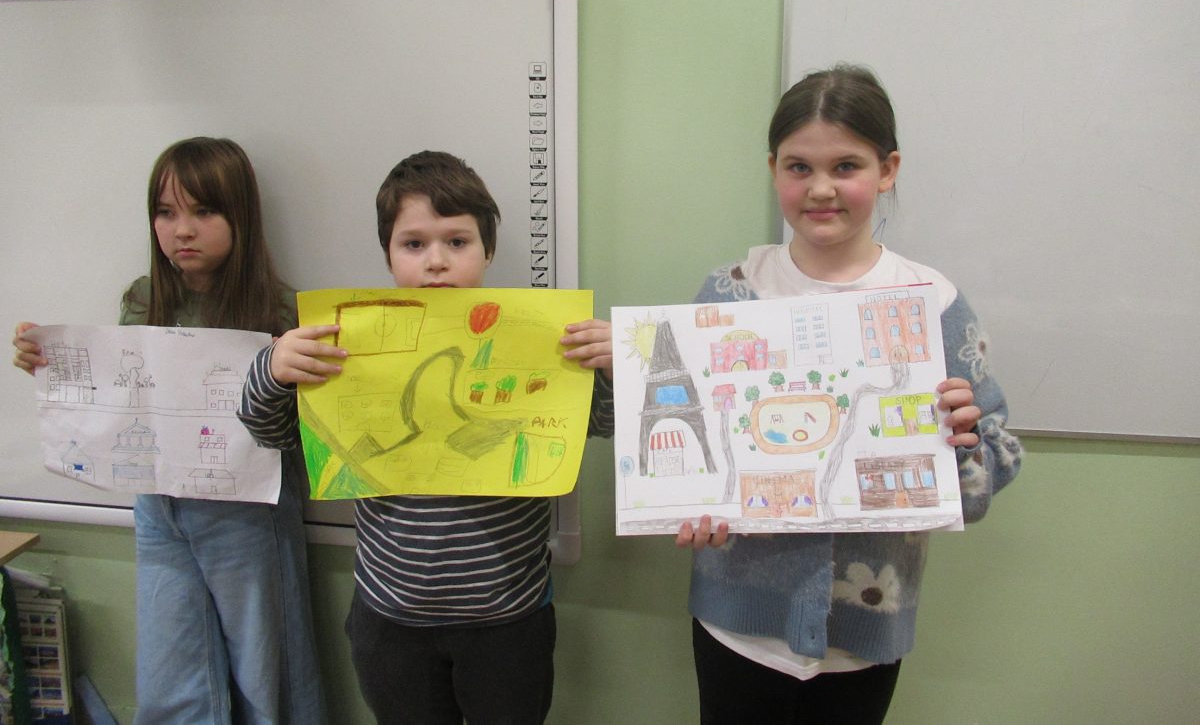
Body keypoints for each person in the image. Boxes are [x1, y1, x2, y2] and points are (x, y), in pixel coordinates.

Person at [674, 65, 1024, 725]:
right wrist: (687, 502)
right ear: (773, 169)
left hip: (863, 638)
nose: (821, 188)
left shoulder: (932, 304)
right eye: (799, 167)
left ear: (888, 170)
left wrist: (963, 440)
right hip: (735, 624)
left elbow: (997, 459)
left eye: (846, 166)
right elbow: (693, 449)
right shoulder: (730, 294)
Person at [236, 150, 615, 725]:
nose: (436, 262)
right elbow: (272, 431)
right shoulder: (348, 344)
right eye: (413, 244)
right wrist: (272, 368)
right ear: (388, 254)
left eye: (457, 242)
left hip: (508, 617)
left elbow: (601, 422)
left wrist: (612, 368)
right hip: (391, 617)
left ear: (488, 250)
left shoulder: (537, 338)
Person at [12, 137, 325, 725]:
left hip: (248, 514)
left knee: (267, 668)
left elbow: (296, 436)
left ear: (240, 216)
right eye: (165, 212)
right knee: (170, 669)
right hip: (159, 507)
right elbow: (122, 400)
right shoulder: (143, 298)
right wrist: (52, 366)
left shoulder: (282, 312)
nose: (182, 230)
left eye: (203, 211)